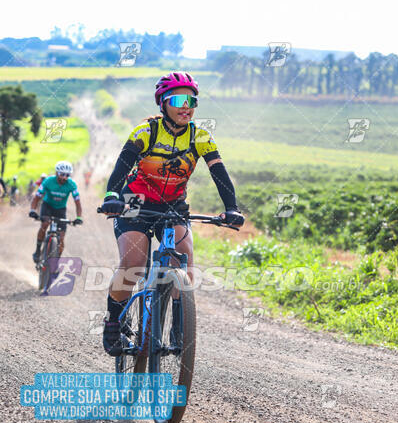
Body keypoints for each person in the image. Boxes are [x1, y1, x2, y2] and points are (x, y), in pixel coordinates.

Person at [99, 71, 244, 356]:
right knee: (133, 265)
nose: (186, 106)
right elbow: (122, 164)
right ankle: (113, 322)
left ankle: (180, 328)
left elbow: (219, 173)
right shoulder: (146, 131)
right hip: (135, 203)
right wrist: (111, 196)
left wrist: (231, 208)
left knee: (184, 262)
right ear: (163, 103)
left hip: (172, 205)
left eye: (192, 100)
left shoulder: (200, 136)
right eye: (178, 100)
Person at [29, 161, 83, 263]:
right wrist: (32, 210)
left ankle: (56, 262)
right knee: (44, 224)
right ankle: (37, 251)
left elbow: (78, 202)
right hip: (47, 206)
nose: (64, 177)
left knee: (61, 238)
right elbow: (37, 197)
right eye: (62, 174)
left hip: (60, 210)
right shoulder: (48, 181)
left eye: (67, 175)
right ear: (56, 173)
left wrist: (79, 217)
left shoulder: (71, 184)